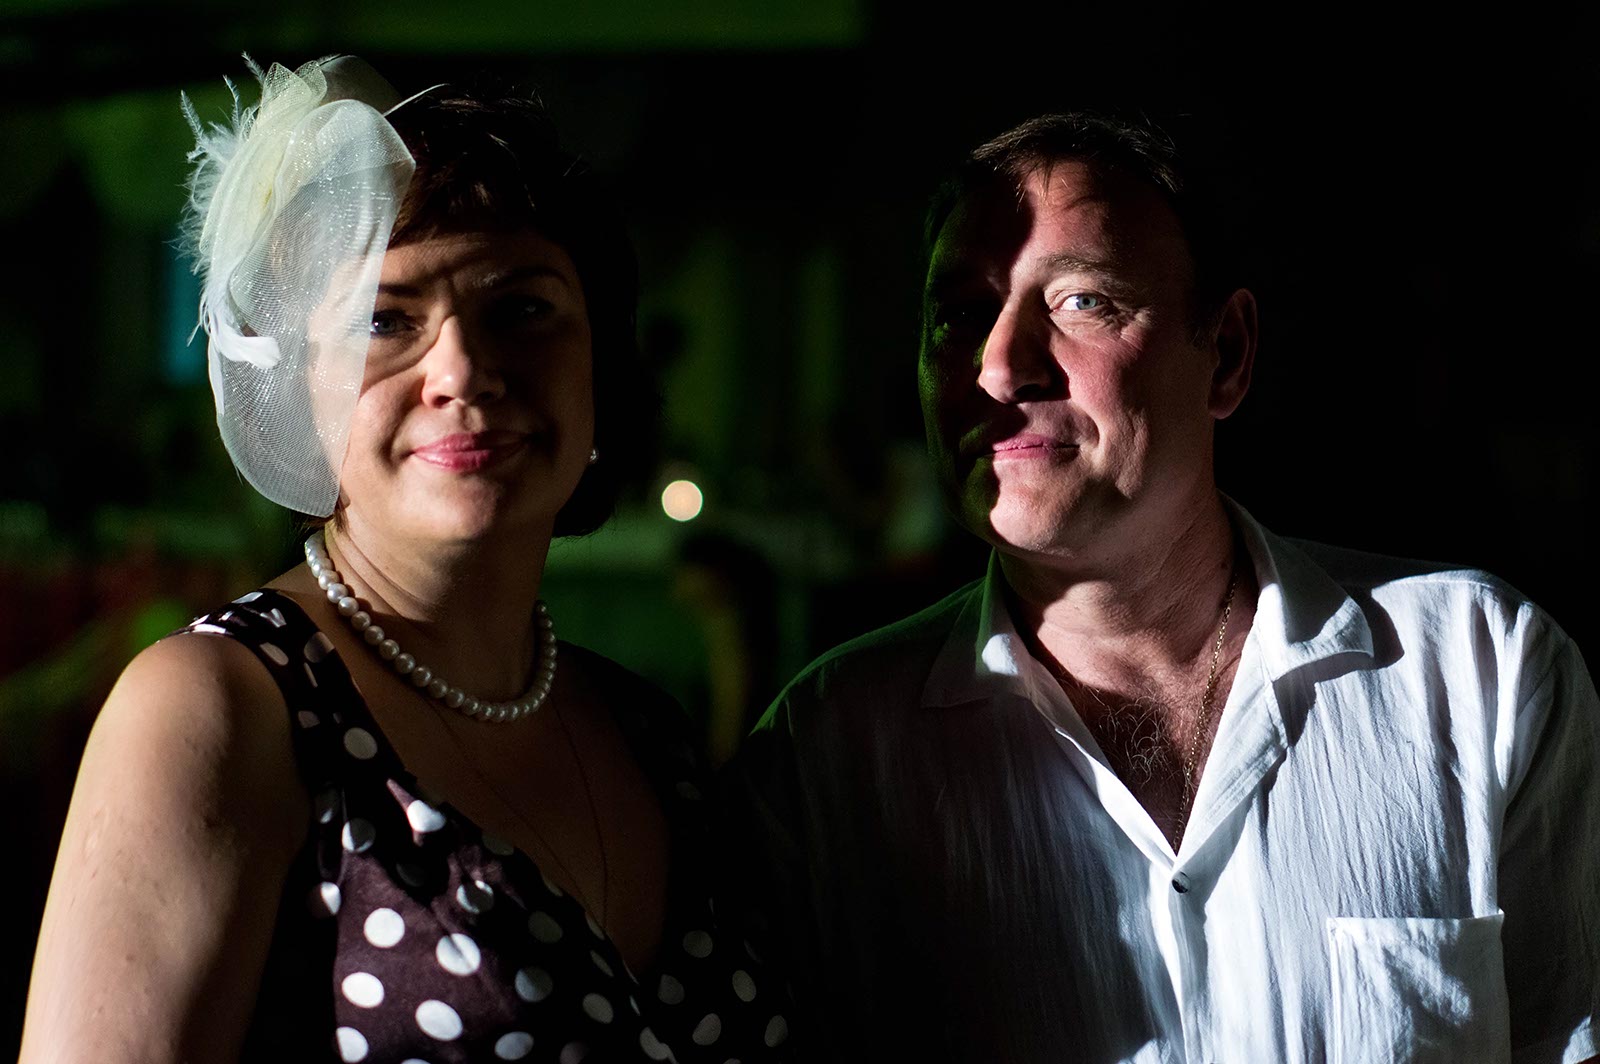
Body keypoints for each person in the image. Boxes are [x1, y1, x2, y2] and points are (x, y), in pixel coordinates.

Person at [729, 112, 1598, 1063]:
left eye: (1082, 301)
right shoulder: (827, 757)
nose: (999, 367)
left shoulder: (1480, 672)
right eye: (961, 314)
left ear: (1226, 354)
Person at [22, 56, 789, 1064]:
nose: (463, 369)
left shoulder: (646, 731)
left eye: (521, 308)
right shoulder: (222, 708)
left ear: (600, 361)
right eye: (384, 320)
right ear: (298, 387)